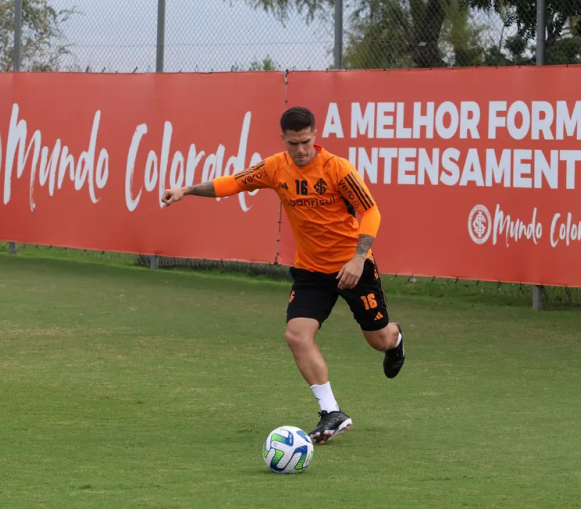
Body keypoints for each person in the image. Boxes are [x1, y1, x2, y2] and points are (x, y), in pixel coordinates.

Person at [162, 106, 405, 444]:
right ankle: (331, 411)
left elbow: (371, 210)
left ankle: (395, 342)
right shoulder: (275, 167)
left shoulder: (338, 170)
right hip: (311, 270)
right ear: (284, 140)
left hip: (353, 267)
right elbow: (233, 182)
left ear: (315, 136)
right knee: (296, 335)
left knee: (378, 339)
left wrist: (359, 258)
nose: (301, 150)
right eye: (293, 143)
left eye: (305, 141)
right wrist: (186, 190)